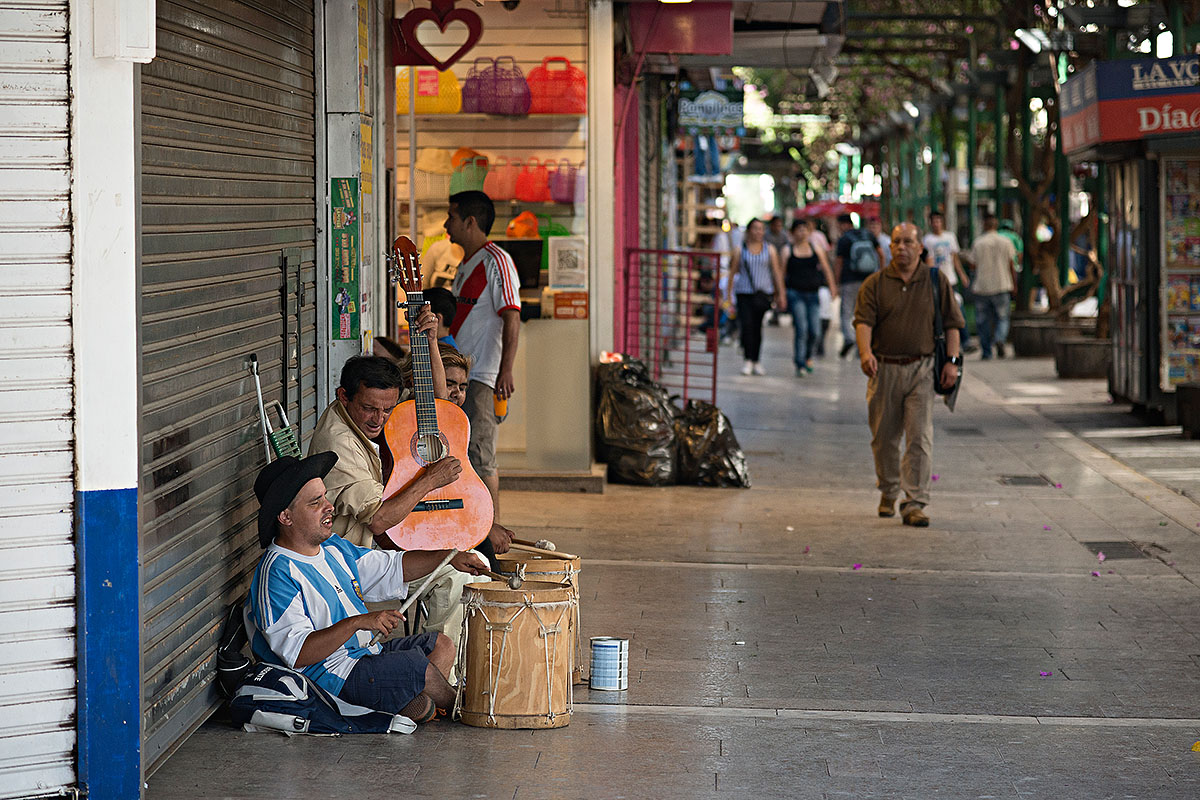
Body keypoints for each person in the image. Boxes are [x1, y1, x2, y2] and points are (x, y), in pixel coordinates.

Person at [244, 452, 488, 723]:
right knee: (418, 669)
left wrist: (449, 557)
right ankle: (468, 711)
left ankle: (411, 702)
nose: (329, 507)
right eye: (316, 503)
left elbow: (394, 567)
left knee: (441, 646)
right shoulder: (277, 572)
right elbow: (299, 653)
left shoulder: (333, 547)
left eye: (325, 497)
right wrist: (358, 622)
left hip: (365, 657)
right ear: (286, 517)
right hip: (329, 680)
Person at [853, 222, 964, 528]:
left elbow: (953, 323)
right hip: (884, 368)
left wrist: (952, 362)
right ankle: (888, 489)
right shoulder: (874, 284)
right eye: (897, 242)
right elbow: (863, 322)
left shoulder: (935, 280)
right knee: (884, 438)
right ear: (890, 248)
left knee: (919, 436)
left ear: (919, 247)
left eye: (908, 242)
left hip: (922, 369)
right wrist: (866, 353)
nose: (902, 247)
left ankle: (914, 501)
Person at [444, 190, 521, 550]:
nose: (447, 225)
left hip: (482, 376)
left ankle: (492, 534)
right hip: (460, 376)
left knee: (481, 451)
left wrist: (505, 370)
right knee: (463, 451)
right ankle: (473, 527)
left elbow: (512, 315)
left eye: (453, 217)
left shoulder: (497, 261)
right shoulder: (464, 266)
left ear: (471, 222)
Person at [729, 218, 786, 376]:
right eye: (755, 228)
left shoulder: (770, 250)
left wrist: (781, 294)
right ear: (749, 231)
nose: (758, 232)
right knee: (746, 326)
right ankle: (748, 359)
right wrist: (728, 296)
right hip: (744, 294)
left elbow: (776, 273)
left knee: (757, 327)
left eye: (761, 229)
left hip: (762, 295)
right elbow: (732, 273)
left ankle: (756, 360)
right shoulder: (740, 249)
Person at [783, 219, 837, 376]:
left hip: (813, 294)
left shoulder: (816, 248)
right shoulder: (788, 250)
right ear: (793, 233)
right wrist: (780, 293)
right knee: (801, 328)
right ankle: (799, 362)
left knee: (815, 331)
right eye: (798, 229)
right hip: (795, 293)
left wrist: (832, 286)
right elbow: (781, 273)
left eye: (804, 229)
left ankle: (807, 357)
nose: (802, 232)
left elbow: (826, 268)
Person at [922, 211, 975, 354]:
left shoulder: (950, 237)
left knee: (957, 308)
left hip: (951, 280)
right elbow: (928, 261)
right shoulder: (927, 240)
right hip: (936, 281)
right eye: (933, 221)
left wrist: (962, 276)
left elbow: (955, 259)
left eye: (939, 220)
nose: (936, 224)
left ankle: (965, 340)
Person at [968, 213, 1018, 359]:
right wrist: (1014, 284)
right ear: (996, 224)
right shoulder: (1006, 241)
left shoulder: (978, 242)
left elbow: (972, 264)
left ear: (984, 224)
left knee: (983, 321)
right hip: (1002, 284)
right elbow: (1011, 265)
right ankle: (1000, 338)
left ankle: (986, 351)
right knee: (1002, 318)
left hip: (982, 286)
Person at [833, 213, 884, 359]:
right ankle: (864, 344)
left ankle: (849, 339)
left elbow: (839, 262)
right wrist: (880, 272)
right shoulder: (868, 235)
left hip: (849, 281)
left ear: (843, 224)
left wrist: (836, 283)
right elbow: (881, 254)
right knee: (865, 313)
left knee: (846, 313)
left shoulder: (844, 239)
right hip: (869, 280)